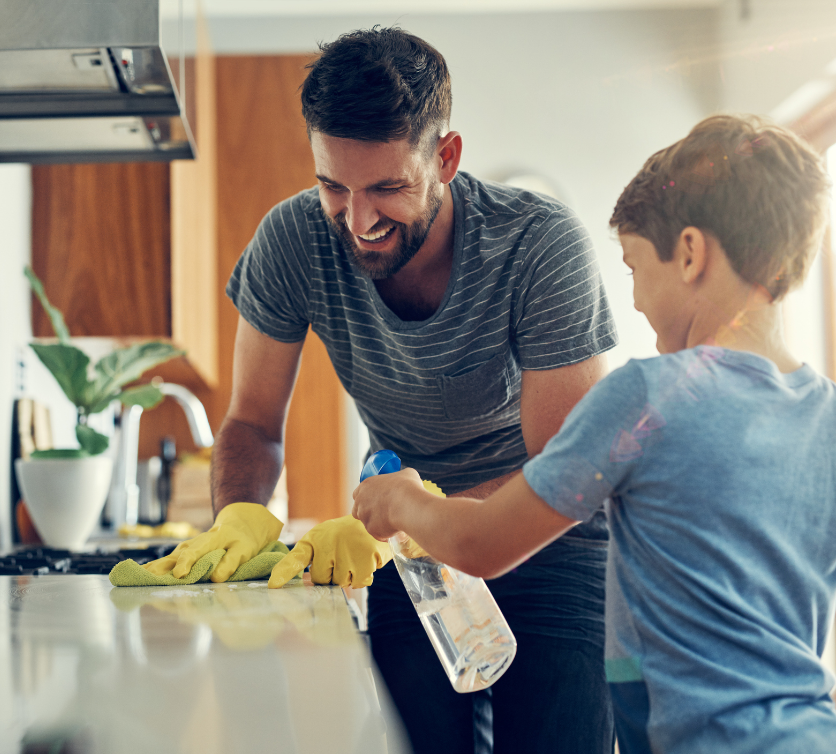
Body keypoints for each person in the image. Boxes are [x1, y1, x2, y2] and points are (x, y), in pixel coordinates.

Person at [144, 27, 618, 753]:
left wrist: (422, 511)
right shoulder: (294, 240)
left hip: (545, 548)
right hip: (410, 555)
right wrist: (239, 518)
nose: (358, 221)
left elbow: (564, 475)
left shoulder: (539, 245)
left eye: (387, 188)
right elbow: (252, 423)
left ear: (446, 158)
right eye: (333, 186)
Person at [352, 113, 836, 754]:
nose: (633, 300)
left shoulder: (650, 397)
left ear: (689, 253)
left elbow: (482, 545)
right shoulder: (825, 415)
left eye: (635, 267)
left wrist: (400, 500)